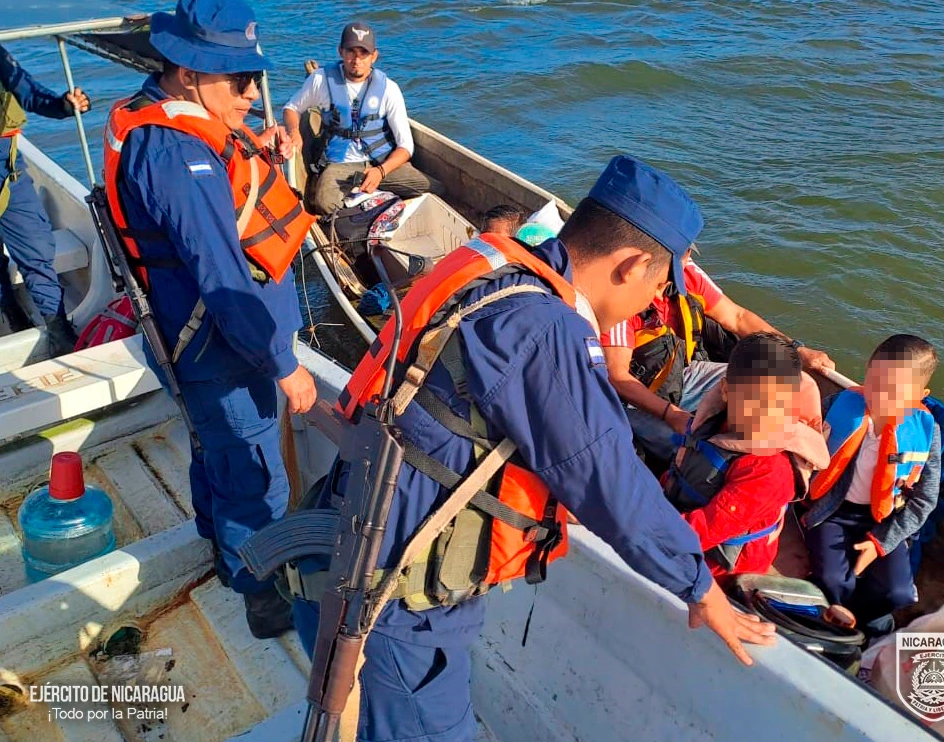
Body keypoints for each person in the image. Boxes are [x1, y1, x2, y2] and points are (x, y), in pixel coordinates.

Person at [291, 155, 776, 742]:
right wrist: (697, 585)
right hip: (398, 596)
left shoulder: (490, 269)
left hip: (344, 530)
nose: (653, 303)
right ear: (632, 266)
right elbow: (607, 480)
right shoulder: (548, 328)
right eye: (658, 285)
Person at [103, 0, 318, 638]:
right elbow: (223, 279)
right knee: (255, 474)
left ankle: (221, 553)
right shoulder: (174, 154)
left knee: (215, 452)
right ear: (188, 73)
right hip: (216, 352)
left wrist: (265, 151)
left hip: (200, 345)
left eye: (253, 79)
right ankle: (262, 593)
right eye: (239, 81)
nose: (253, 94)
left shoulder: (168, 119)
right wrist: (283, 365)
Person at [601, 216, 835, 464]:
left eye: (686, 256)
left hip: (686, 374)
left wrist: (797, 350)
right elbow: (617, 376)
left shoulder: (687, 274)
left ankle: (803, 462)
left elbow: (738, 317)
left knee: (796, 383)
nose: (683, 266)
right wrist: (672, 415)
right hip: (639, 400)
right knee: (693, 454)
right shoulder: (625, 299)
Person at [802, 334, 941, 636]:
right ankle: (844, 621)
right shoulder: (839, 405)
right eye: (875, 381)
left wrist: (880, 543)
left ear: (921, 394)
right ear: (867, 369)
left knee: (898, 593)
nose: (880, 395)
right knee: (835, 580)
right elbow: (801, 438)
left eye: (895, 391)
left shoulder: (928, 432)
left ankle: (860, 620)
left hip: (883, 519)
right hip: (832, 512)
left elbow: (925, 500)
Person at [663, 333, 829, 577]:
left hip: (718, 568)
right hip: (678, 517)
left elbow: (699, 533)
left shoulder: (770, 470)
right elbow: (677, 473)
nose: (765, 414)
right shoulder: (713, 423)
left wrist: (629, 524)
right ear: (726, 390)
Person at [282, 21, 441, 214]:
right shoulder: (320, 80)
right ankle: (371, 205)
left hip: (381, 163)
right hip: (340, 166)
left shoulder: (389, 89)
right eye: (351, 52)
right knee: (323, 202)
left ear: (374, 56)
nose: (357, 60)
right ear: (340, 51)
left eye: (363, 53)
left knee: (435, 188)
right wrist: (294, 132)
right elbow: (291, 108)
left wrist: (380, 172)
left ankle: (367, 198)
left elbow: (406, 146)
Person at [0, 44, 90, 354]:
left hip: (7, 169)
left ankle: (58, 327)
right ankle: (9, 311)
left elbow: (30, 94)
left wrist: (64, 106)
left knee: (36, 247)